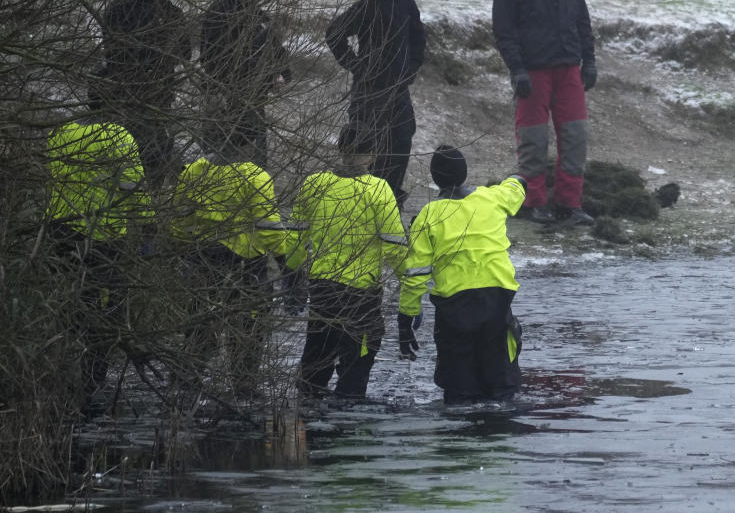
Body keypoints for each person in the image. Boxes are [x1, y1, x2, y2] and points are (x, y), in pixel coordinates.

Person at [286, 122, 408, 401]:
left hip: (321, 289)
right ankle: (347, 418)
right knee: (357, 362)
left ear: (340, 149)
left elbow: (294, 238)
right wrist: (410, 282)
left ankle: (308, 420)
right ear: (372, 155)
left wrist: (292, 274)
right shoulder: (378, 190)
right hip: (360, 296)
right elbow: (395, 248)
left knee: (317, 354)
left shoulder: (315, 184)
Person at [492, 0, 598, 225]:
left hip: (568, 69)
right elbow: (504, 30)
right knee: (533, 140)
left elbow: (582, 21)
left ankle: (569, 203)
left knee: (576, 137)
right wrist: (517, 69)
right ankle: (533, 202)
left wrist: (589, 61)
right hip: (533, 72)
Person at [398, 145, 526, 404]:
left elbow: (416, 274)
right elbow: (518, 186)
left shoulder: (428, 216)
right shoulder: (493, 197)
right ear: (466, 174)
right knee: (502, 386)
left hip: (455, 307)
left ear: (435, 179)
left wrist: (406, 319)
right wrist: (516, 178)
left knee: (459, 391)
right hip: (498, 298)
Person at [45, 115, 154, 414]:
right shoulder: (117, 135)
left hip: (60, 233)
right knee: (104, 313)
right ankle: (93, 381)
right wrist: (148, 225)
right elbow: (133, 187)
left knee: (69, 304)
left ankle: (60, 374)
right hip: (102, 238)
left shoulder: (60, 133)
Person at [170, 144, 292, 400]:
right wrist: (285, 263)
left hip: (204, 258)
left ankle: (186, 381)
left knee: (200, 321)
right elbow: (269, 227)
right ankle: (243, 387)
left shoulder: (193, 172)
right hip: (246, 265)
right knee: (249, 327)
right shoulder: (255, 176)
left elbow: (180, 219)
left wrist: (181, 247)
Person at [325, 0, 426, 208]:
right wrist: (357, 67)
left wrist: (410, 72)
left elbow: (418, 43)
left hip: (398, 90)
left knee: (402, 139)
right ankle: (363, 200)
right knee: (367, 144)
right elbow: (335, 33)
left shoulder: (408, 4)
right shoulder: (369, 1)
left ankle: (391, 198)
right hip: (369, 91)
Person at [95, 0, 192, 188]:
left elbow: (184, 52)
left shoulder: (171, 13)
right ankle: (140, 198)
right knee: (136, 152)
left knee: (156, 151)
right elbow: (115, 52)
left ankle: (154, 194)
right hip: (128, 96)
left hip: (161, 95)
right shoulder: (120, 9)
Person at [200, 0, 292, 168]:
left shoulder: (256, 14)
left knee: (255, 169)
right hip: (227, 102)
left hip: (254, 101)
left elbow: (275, 50)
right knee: (226, 166)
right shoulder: (219, 16)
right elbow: (216, 62)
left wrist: (282, 74)